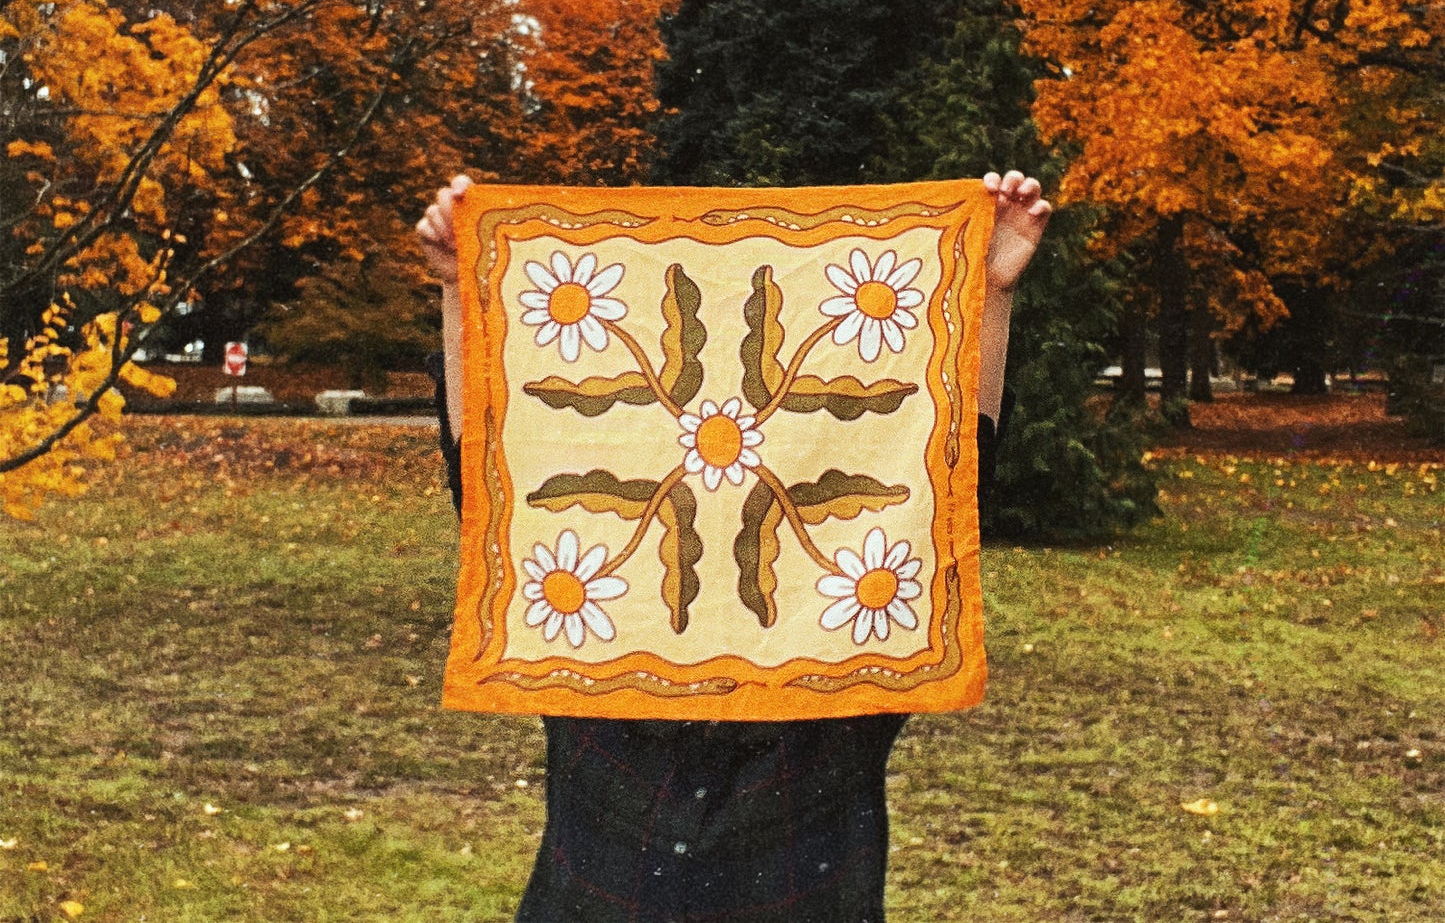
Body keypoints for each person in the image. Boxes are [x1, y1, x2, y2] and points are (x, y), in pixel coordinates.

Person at [417, 171, 1051, 923]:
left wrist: (987, 290)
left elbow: (952, 474)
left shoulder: (846, 663)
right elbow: (489, 473)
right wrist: (464, 288)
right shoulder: (593, 640)